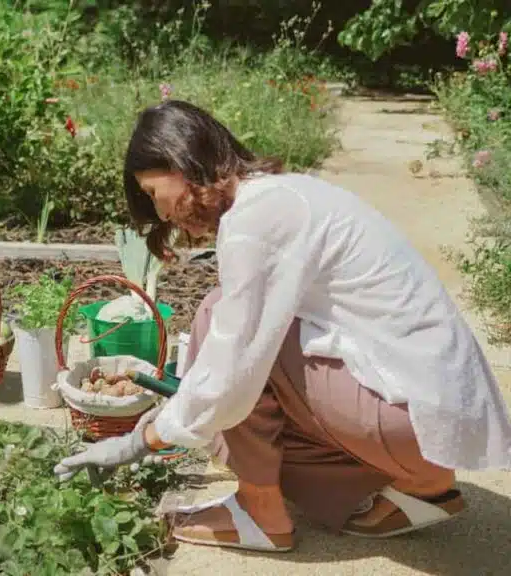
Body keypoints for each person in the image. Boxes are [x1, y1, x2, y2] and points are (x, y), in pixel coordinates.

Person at [54, 100, 511, 552]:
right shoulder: (280, 194)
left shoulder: (256, 219)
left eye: (155, 194)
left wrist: (138, 441)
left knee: (223, 328)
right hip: (434, 411)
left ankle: (260, 513)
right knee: (234, 339)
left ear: (179, 159)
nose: (163, 213)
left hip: (415, 418)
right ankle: (422, 483)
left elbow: (232, 369)